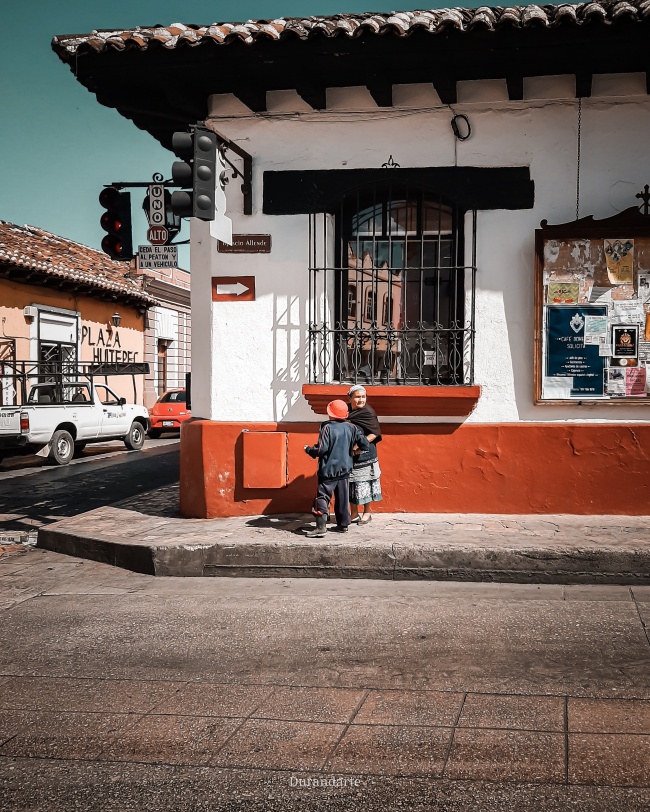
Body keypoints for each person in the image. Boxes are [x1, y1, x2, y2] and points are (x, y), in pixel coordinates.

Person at [304, 399, 370, 538]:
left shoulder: (326, 427)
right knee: (342, 497)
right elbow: (365, 445)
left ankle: (321, 527)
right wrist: (353, 451)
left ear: (330, 414)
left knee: (322, 496)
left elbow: (322, 449)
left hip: (328, 470)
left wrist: (309, 450)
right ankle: (343, 525)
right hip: (345, 468)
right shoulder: (352, 427)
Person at [347, 384, 383, 524]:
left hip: (366, 453)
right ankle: (354, 513)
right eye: (357, 397)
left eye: (363, 397)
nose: (361, 400)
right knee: (351, 484)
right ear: (350, 398)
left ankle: (367, 513)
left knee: (366, 483)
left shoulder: (368, 412)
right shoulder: (347, 410)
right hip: (350, 455)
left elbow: (375, 432)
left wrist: (358, 446)